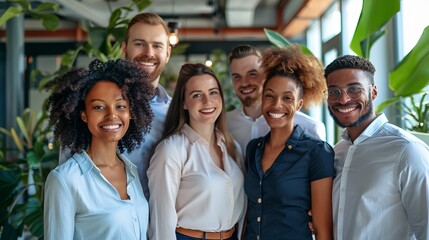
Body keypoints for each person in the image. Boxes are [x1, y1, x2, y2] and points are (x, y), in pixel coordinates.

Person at [44, 59, 153, 239]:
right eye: (99, 107)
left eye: (120, 106)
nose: (112, 115)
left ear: (131, 112)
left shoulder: (132, 171)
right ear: (84, 115)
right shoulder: (65, 180)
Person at [325, 55, 429, 239]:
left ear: (373, 92)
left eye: (354, 89)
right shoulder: (335, 152)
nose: (343, 100)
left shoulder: (407, 149)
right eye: (334, 91)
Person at [244, 46, 335, 240]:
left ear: (299, 104)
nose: (277, 104)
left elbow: (322, 229)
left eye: (287, 98)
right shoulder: (253, 149)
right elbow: (249, 214)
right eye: (269, 96)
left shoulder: (317, 152)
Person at [147, 63, 246, 240]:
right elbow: (161, 219)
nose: (207, 102)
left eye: (213, 92)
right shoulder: (171, 150)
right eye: (197, 95)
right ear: (184, 103)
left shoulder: (232, 148)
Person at [227, 45, 326, 155]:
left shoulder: (309, 127)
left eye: (252, 74)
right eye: (237, 76)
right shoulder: (225, 123)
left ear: (266, 75)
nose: (244, 82)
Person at [120, 12, 172, 199]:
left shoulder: (176, 112)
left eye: (157, 46)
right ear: (124, 49)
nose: (149, 53)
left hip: (162, 224)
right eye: (139, 44)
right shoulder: (98, 106)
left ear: (167, 54)